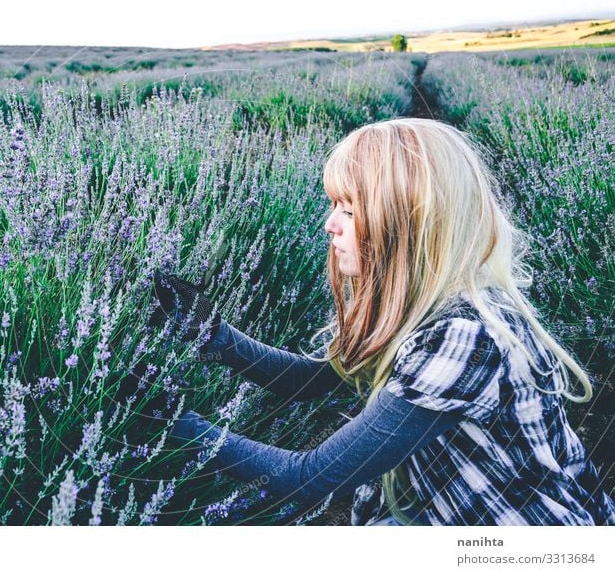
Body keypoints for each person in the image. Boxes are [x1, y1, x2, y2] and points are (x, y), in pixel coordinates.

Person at [142, 117, 615, 526]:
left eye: (349, 209)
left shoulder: (463, 336)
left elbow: (306, 479)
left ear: (406, 223)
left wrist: (174, 423)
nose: (331, 223)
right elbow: (312, 381)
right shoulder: (416, 307)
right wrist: (214, 335)